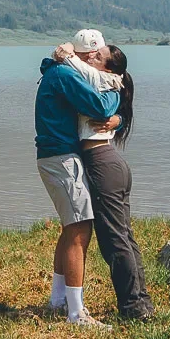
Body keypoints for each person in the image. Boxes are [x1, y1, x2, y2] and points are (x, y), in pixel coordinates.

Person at [58, 41, 154, 321]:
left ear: (107, 67)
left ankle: (133, 308)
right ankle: (140, 302)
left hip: (102, 163)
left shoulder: (101, 80)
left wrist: (67, 54)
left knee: (114, 240)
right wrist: (119, 120)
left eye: (98, 56)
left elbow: (78, 69)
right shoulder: (107, 81)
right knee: (125, 237)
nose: (91, 56)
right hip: (112, 163)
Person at [34, 28, 120, 328]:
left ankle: (59, 300)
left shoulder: (62, 71)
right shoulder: (67, 75)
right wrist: (115, 95)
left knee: (71, 228)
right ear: (81, 57)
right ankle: (76, 313)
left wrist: (116, 119)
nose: (98, 64)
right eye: (94, 58)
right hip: (61, 157)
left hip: (57, 155)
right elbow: (98, 107)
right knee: (80, 227)